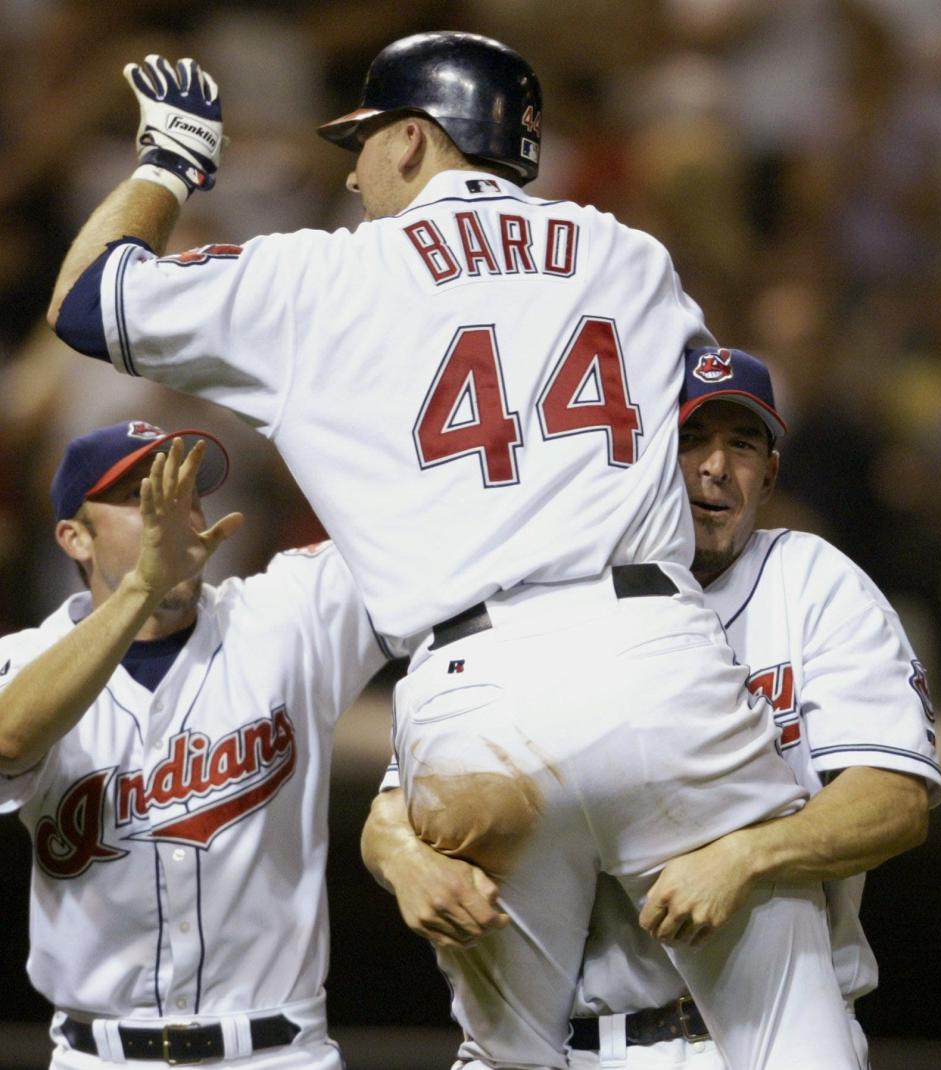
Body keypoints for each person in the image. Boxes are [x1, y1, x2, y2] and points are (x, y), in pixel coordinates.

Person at [46, 36, 862, 1069]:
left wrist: (169, 164)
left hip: (469, 694)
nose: (352, 169)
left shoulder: (320, 273)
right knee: (799, 1040)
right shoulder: (628, 253)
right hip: (657, 655)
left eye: (367, 142)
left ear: (416, 137)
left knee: (510, 1056)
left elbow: (86, 300)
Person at [362, 347, 941, 1069]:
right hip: (578, 1047)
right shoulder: (552, 594)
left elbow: (893, 802)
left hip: (766, 1034)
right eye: (690, 439)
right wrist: (405, 859)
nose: (714, 467)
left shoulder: (813, 584)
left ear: (770, 473)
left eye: (742, 443)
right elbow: (396, 799)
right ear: (633, 458)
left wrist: (747, 855)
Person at [0, 420, 388, 1069]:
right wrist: (140, 590)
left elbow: (418, 533)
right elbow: (9, 741)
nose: (169, 513)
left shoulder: (283, 616)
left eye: (183, 492)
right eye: (139, 497)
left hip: (277, 1053)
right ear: (74, 536)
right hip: (100, 1057)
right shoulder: (26, 661)